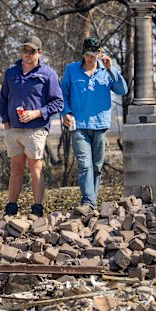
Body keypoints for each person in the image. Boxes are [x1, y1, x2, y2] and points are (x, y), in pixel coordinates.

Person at [60, 37, 128, 214]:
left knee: (97, 166)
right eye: (88, 54)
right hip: (79, 125)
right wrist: (65, 112)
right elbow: (63, 95)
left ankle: (92, 204)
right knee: (84, 164)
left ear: (100, 54)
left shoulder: (107, 71)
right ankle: (88, 201)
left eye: (94, 55)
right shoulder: (71, 70)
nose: (91, 58)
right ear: (83, 53)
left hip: (100, 125)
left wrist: (111, 68)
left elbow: (123, 90)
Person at [0, 36, 64, 217]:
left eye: (32, 51)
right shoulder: (11, 72)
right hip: (13, 129)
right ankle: (11, 208)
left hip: (36, 129)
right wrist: (5, 120)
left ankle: (37, 209)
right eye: (25, 51)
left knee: (35, 168)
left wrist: (36, 113)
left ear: (39, 53)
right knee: (15, 168)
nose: (27, 55)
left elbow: (58, 103)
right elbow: (3, 98)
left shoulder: (48, 74)